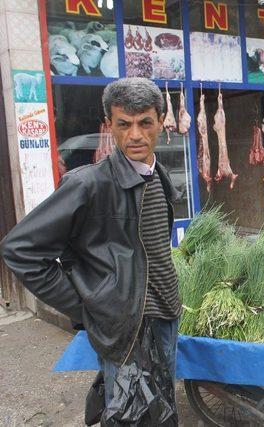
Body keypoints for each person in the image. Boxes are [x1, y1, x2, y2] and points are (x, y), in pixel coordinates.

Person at [1, 78, 181, 424]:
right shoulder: (87, 183)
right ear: (109, 126)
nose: (135, 136)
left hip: (165, 317)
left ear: (161, 121)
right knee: (129, 414)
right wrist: (89, 307)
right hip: (124, 326)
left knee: (162, 409)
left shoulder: (158, 175)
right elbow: (19, 250)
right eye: (123, 124)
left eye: (145, 122)